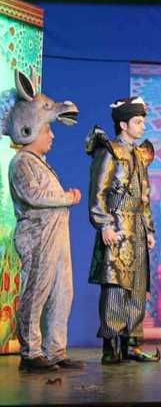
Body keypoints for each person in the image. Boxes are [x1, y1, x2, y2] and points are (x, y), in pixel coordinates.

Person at [4, 69, 83, 372]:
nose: (52, 135)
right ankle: (31, 352)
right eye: (47, 129)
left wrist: (65, 197)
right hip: (38, 238)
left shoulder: (40, 163)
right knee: (36, 291)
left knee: (62, 293)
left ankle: (55, 349)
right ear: (29, 130)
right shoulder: (21, 163)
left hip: (57, 236)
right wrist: (67, 197)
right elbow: (34, 196)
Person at [85, 96, 160, 364]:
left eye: (142, 121)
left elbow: (144, 197)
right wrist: (104, 224)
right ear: (123, 124)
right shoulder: (109, 151)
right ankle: (111, 345)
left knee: (138, 286)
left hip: (137, 227)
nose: (142, 126)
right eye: (138, 122)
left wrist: (149, 229)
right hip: (117, 226)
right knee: (116, 286)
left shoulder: (139, 155)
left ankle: (132, 343)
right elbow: (99, 191)